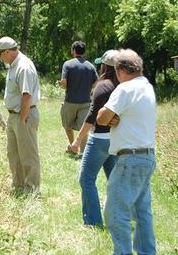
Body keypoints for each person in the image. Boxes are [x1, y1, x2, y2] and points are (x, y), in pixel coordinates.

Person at [97, 49, 156, 255]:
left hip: (130, 159)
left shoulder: (125, 89)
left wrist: (111, 116)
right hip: (147, 155)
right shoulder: (146, 86)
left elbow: (102, 118)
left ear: (120, 70)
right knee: (142, 212)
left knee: (115, 212)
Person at [70, 50, 119, 226]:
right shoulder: (122, 86)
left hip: (99, 140)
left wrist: (77, 140)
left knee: (86, 179)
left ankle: (92, 221)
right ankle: (119, 218)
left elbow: (92, 116)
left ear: (105, 66)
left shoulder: (103, 86)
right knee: (114, 180)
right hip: (115, 140)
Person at [0, 36, 41, 193]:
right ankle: (19, 185)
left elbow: (26, 95)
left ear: (7, 51)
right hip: (14, 115)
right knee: (13, 153)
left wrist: (22, 118)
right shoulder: (13, 65)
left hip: (23, 114)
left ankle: (32, 188)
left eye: (0, 54)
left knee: (28, 153)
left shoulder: (23, 66)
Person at [58, 41, 98, 154]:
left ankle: (73, 146)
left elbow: (64, 81)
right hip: (85, 102)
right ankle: (83, 152)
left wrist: (63, 85)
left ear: (73, 50)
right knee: (83, 128)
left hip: (70, 101)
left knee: (67, 125)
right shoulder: (90, 66)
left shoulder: (67, 64)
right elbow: (96, 83)